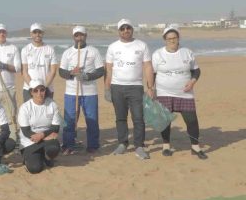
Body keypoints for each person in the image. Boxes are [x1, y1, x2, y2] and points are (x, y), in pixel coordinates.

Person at [152, 24, 207, 159]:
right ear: (165, 39)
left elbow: (196, 70)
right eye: (169, 38)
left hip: (185, 93)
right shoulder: (157, 54)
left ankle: (195, 147)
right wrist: (150, 89)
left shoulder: (187, 52)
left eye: (174, 37)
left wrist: (192, 81)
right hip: (164, 92)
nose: (172, 40)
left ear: (178, 38)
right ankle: (166, 145)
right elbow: (152, 73)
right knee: (165, 120)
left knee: (192, 120)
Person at [105, 19, 155, 160]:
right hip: (117, 87)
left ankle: (139, 146)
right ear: (119, 31)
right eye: (122, 28)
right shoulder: (113, 47)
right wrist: (107, 88)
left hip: (136, 87)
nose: (125, 30)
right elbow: (108, 70)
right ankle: (123, 143)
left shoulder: (141, 45)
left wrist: (150, 87)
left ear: (132, 29)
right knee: (120, 118)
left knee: (138, 118)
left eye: (128, 28)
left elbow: (147, 67)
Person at [58, 26, 105, 154]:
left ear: (86, 36)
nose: (79, 38)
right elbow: (61, 72)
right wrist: (72, 73)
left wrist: (87, 76)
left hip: (90, 92)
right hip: (71, 92)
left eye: (82, 35)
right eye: (77, 35)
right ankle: (68, 145)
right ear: (73, 37)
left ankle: (93, 145)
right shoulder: (67, 52)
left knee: (92, 120)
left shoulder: (93, 51)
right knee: (70, 120)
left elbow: (101, 70)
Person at [17, 80, 62, 174]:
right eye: (35, 90)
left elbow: (56, 127)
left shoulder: (52, 104)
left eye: (42, 90)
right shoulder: (25, 107)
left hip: (44, 138)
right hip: (29, 141)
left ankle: (45, 155)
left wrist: (42, 135)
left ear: (45, 91)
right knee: (35, 168)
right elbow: (26, 132)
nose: (39, 93)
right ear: (31, 92)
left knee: (54, 148)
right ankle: (33, 157)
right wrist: (45, 136)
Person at [22, 23, 59, 102]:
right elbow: (24, 71)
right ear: (31, 34)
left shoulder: (50, 49)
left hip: (47, 88)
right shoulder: (25, 50)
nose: (37, 34)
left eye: (39, 32)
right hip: (29, 89)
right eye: (35, 32)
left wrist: (43, 87)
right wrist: (33, 87)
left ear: (43, 33)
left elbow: (53, 72)